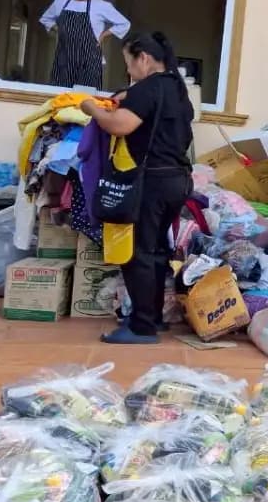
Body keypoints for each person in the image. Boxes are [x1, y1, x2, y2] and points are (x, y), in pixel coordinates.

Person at [80, 32, 195, 345]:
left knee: (137, 253)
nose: (129, 71)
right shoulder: (177, 87)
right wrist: (124, 97)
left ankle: (142, 327)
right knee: (156, 249)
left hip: (151, 181)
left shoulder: (146, 88)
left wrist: (92, 108)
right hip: (178, 180)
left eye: (129, 63)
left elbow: (120, 125)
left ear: (143, 58)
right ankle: (153, 317)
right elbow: (153, 110)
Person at [39, 0, 130, 89]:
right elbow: (46, 19)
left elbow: (124, 23)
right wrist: (59, 29)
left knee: (86, 99)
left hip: (90, 60)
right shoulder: (60, 2)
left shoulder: (101, 5)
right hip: (63, 59)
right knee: (60, 95)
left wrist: (103, 35)